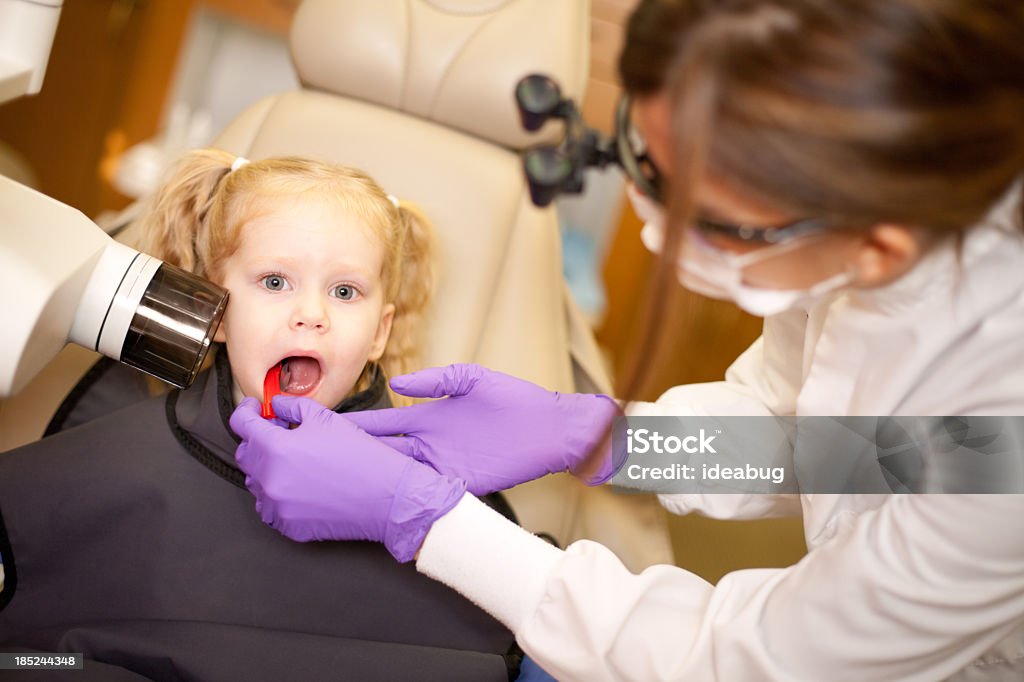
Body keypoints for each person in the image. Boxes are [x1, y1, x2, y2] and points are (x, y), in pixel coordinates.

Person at [228, 1, 1024, 680]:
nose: (654, 236)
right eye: (642, 165)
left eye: (708, 219)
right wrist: (610, 441)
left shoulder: (1005, 401)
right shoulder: (853, 226)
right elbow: (843, 448)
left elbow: (745, 660)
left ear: (876, 245)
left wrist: (427, 522)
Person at [0, 150, 520, 681]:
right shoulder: (113, 460)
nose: (311, 315)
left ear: (379, 333)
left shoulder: (439, 496)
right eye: (275, 282)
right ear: (216, 309)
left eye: (344, 291)